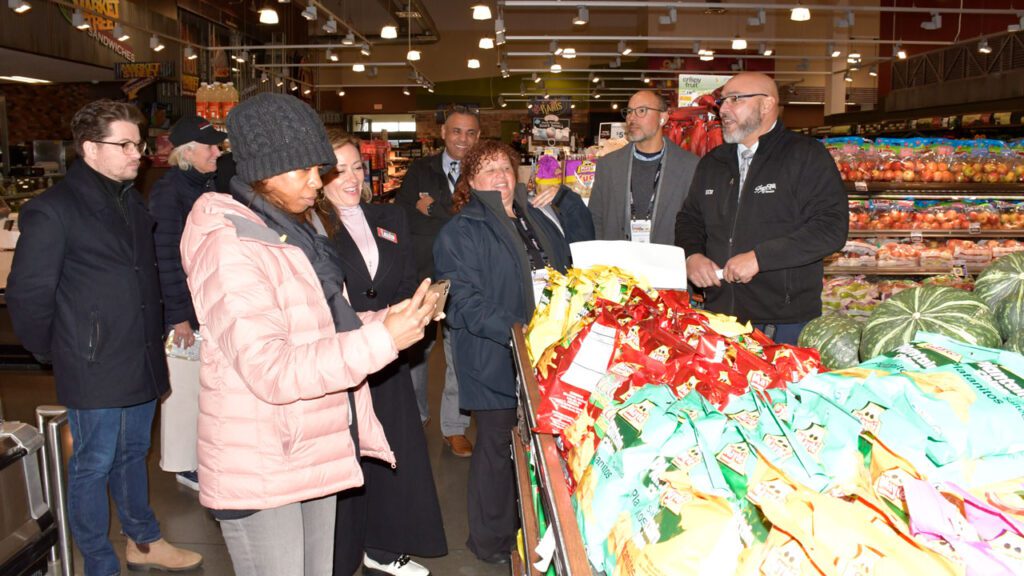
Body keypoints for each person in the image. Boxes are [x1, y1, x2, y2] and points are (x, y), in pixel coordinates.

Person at [179, 93, 438, 576]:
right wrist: (382, 341)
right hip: (263, 460)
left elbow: (317, 331)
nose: (318, 182)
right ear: (264, 171)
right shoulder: (230, 243)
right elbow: (272, 369)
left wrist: (387, 321)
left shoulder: (290, 231)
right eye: (303, 170)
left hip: (313, 446)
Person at [6, 99, 203, 575]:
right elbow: (28, 295)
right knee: (94, 461)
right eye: (126, 144)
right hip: (92, 361)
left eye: (138, 143)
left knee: (135, 451)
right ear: (90, 148)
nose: (139, 153)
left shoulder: (129, 199)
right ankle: (98, 560)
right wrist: (59, 350)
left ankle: (144, 540)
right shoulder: (51, 211)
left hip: (138, 354)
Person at [433, 141, 571, 565]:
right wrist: (519, 329)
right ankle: (489, 542)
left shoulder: (534, 217)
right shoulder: (463, 230)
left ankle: (532, 527)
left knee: (537, 446)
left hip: (544, 351)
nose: (500, 177)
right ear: (470, 183)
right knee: (496, 445)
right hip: (497, 354)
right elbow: (463, 301)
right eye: (487, 170)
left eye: (505, 167)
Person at [317, 130, 447, 576]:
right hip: (343, 355)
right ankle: (340, 554)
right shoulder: (310, 227)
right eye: (339, 169)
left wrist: (419, 306)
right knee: (347, 455)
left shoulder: (388, 216)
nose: (352, 177)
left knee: (392, 448)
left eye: (357, 166)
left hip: (391, 352)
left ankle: (384, 545)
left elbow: (408, 276)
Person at [674, 72, 848, 345]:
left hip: (783, 322)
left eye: (734, 99)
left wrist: (760, 258)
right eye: (722, 101)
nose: (723, 109)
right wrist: (692, 256)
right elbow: (689, 220)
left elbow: (831, 228)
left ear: (766, 105)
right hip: (720, 317)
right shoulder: (713, 162)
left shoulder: (805, 156)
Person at [395, 105, 480, 457]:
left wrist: (432, 210)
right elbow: (402, 213)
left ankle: (454, 428)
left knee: (459, 354)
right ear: (444, 133)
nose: (463, 139)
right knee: (416, 351)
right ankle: (417, 417)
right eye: (457, 131)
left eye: (470, 133)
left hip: (465, 276)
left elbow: (478, 219)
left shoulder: (482, 172)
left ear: (478, 137)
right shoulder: (420, 169)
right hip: (425, 275)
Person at [148, 115, 226, 491]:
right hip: (184, 312)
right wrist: (177, 317)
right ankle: (183, 465)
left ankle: (202, 458)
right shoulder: (169, 192)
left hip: (206, 304)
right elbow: (164, 256)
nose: (217, 150)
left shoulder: (206, 184)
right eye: (210, 146)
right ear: (186, 152)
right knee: (182, 393)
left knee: (203, 389)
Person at [587, 89, 698, 245]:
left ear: (662, 118)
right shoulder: (608, 165)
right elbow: (595, 218)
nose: (632, 117)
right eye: (629, 111)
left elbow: (696, 224)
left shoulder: (690, 166)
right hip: (617, 264)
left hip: (666, 264)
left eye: (641, 111)